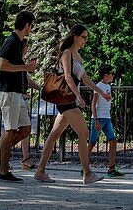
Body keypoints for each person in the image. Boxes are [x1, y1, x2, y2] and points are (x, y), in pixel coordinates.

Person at [33, 24, 104, 184]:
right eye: (84, 37)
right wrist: (78, 96)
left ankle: (40, 171)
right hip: (67, 99)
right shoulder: (67, 53)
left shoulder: (78, 56)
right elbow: (67, 77)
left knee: (54, 135)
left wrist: (101, 92)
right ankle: (87, 174)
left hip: (69, 99)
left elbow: (85, 79)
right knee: (84, 132)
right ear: (75, 37)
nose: (86, 40)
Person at [0, 10, 39, 182]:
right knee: (10, 131)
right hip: (8, 91)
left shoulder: (18, 43)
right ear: (27, 25)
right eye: (31, 26)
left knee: (25, 129)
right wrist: (25, 68)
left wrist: (26, 70)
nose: (31, 29)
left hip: (16, 93)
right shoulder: (11, 42)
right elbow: (2, 65)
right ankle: (3, 170)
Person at [88, 64, 123, 178]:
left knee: (112, 140)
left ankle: (112, 168)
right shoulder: (98, 86)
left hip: (106, 118)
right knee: (92, 142)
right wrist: (96, 119)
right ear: (106, 75)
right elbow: (93, 104)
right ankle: (85, 166)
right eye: (111, 73)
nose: (113, 75)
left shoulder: (108, 86)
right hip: (99, 118)